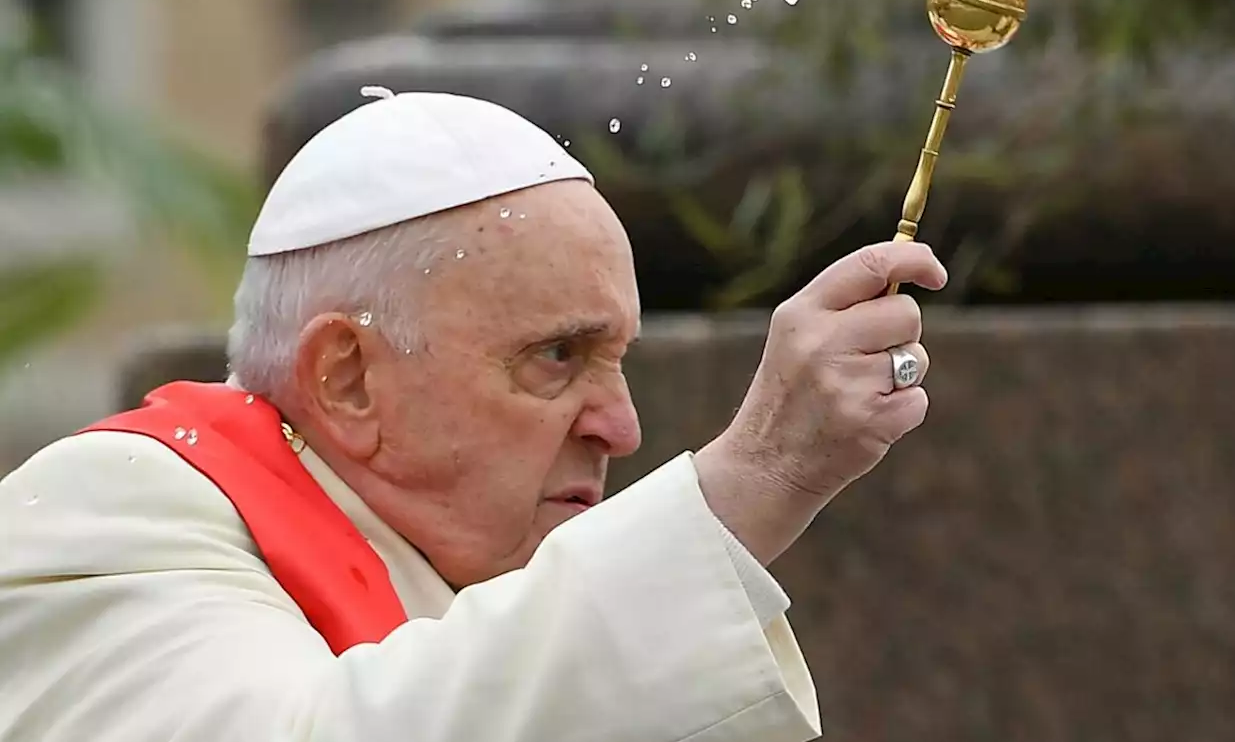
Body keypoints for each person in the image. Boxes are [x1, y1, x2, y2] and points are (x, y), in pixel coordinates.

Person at [0, 88, 945, 742]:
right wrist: (757, 478)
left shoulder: (483, 588)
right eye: (557, 356)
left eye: (618, 363)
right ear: (348, 379)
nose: (621, 426)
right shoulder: (113, 512)